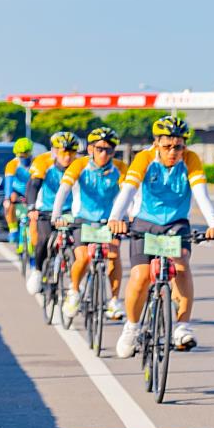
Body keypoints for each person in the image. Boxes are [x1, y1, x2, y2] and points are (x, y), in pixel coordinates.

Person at [107, 115, 214, 357]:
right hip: (145, 222)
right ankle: (131, 327)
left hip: (175, 223)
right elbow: (128, 190)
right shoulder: (144, 158)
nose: (173, 152)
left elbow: (201, 193)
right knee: (140, 276)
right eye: (167, 146)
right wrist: (115, 218)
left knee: (181, 265)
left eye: (178, 146)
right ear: (156, 144)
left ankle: (182, 327)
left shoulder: (191, 160)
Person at [51, 127, 128, 319]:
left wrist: (130, 217)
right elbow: (64, 190)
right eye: (99, 149)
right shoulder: (79, 165)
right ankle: (74, 292)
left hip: (109, 220)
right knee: (84, 258)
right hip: (83, 219)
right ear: (90, 149)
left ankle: (114, 301)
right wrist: (56, 215)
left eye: (109, 150)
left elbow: (130, 192)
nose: (104, 154)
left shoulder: (120, 167)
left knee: (113, 254)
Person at [24, 132, 79, 295]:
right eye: (63, 152)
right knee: (44, 238)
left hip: (70, 210)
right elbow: (33, 185)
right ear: (54, 151)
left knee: (78, 245)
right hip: (46, 209)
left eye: (71, 152)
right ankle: (38, 271)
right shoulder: (43, 162)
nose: (67, 157)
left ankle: (76, 280)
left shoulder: (80, 164)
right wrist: (32, 208)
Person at [4, 137, 34, 244]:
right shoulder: (12, 164)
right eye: (20, 155)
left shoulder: (36, 162)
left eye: (25, 154)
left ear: (30, 152)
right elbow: (8, 182)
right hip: (16, 191)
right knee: (9, 202)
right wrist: (7, 198)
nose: (23, 157)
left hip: (31, 190)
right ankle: (13, 228)